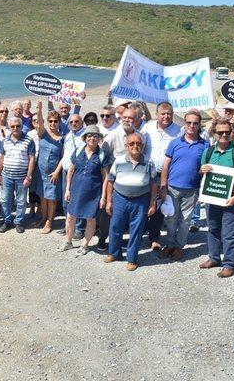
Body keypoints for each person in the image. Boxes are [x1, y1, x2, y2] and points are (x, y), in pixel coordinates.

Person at [199, 120, 234, 278]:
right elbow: (202, 172)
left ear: (232, 133)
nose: (224, 135)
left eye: (227, 132)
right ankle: (214, 258)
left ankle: (229, 264)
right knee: (213, 228)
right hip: (212, 196)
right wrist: (202, 169)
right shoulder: (208, 152)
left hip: (231, 198)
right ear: (214, 134)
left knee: (229, 233)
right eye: (220, 132)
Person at [158, 110, 208, 261]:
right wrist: (163, 185)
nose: (191, 126)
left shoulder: (205, 145)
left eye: (195, 123)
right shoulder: (175, 142)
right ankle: (170, 245)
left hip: (191, 189)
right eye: (189, 122)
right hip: (172, 188)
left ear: (199, 125)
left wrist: (203, 169)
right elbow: (166, 165)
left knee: (185, 221)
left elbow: (203, 167)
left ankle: (179, 247)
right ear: (184, 124)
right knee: (171, 219)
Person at [104, 133, 158, 271]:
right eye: (132, 143)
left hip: (141, 200)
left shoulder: (149, 162)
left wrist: (152, 203)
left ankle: (132, 258)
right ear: (127, 146)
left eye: (138, 144)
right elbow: (110, 181)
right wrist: (109, 201)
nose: (135, 146)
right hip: (120, 198)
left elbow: (153, 184)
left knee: (137, 229)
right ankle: (114, 253)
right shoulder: (119, 160)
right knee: (115, 226)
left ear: (143, 146)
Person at [62, 125, 110, 253]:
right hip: (75, 189)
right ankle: (68, 241)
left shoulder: (102, 154)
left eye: (95, 136)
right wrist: (67, 189)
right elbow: (71, 170)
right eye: (89, 135)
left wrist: (103, 196)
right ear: (85, 138)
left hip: (94, 192)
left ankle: (85, 244)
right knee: (70, 216)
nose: (92, 138)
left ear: (99, 138)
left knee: (91, 218)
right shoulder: (78, 151)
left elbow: (106, 176)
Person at [141, 102, 181, 250]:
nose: (166, 116)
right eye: (162, 113)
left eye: (169, 113)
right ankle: (140, 232)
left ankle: (154, 237)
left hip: (164, 174)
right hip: (145, 172)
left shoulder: (178, 131)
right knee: (143, 204)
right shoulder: (147, 128)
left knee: (158, 208)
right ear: (157, 114)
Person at [0, 117, 35, 233]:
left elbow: (32, 159)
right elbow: (1, 158)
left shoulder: (29, 140)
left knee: (21, 201)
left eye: (18, 126)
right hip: (6, 176)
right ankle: (7, 221)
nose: (15, 128)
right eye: (12, 126)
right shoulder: (5, 141)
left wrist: (29, 176)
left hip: (22, 177)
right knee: (5, 200)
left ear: (22, 126)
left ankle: (18, 222)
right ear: (9, 127)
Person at [33, 101, 64, 234]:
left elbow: (63, 157)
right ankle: (43, 218)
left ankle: (49, 222)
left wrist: (57, 172)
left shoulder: (62, 138)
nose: (52, 123)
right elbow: (40, 123)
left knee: (51, 199)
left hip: (53, 174)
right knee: (42, 197)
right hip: (40, 173)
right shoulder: (43, 134)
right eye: (50, 121)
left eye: (55, 121)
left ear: (59, 122)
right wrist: (39, 109)